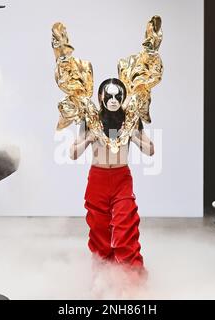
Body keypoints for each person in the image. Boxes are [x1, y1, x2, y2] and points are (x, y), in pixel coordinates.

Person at [70, 79, 154, 278]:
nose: (114, 100)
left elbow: (151, 150)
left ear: (123, 97)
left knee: (126, 227)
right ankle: (104, 278)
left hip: (121, 179)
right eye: (110, 96)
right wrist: (89, 138)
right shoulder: (90, 119)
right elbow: (72, 153)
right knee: (99, 232)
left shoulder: (131, 119)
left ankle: (133, 277)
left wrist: (134, 136)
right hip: (98, 179)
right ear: (101, 97)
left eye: (118, 96)